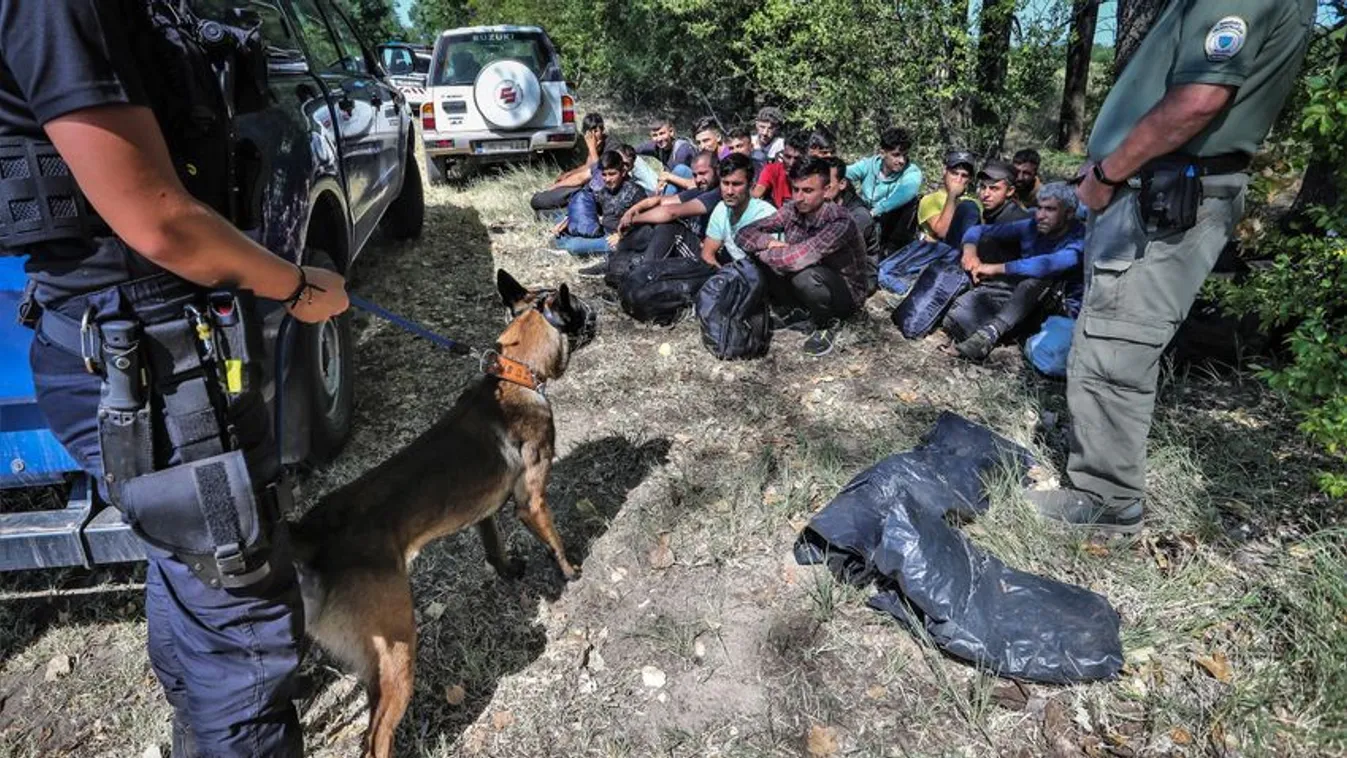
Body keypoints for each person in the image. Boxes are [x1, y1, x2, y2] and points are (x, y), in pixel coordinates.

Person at [0, 3, 350, 755]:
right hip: (154, 366)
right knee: (242, 629)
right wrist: (296, 287)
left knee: (196, 568)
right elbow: (160, 222)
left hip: (143, 351)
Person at [1030, 0, 1316, 532]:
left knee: (1115, 345)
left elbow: (1198, 100)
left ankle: (1106, 501)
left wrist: (1108, 174)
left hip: (1162, 194)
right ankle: (1097, 449)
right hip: (1156, 188)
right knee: (1105, 330)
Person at [736, 157, 870, 357]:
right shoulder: (793, 210)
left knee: (803, 275)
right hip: (810, 278)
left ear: (826, 191)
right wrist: (768, 243)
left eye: (807, 191)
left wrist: (763, 252)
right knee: (764, 257)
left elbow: (798, 259)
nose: (799, 197)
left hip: (845, 293)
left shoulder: (839, 221)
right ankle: (794, 311)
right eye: (795, 189)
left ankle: (827, 324)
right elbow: (743, 233)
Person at [944, 183, 1085, 361]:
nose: (1040, 215)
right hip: (1019, 300)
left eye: (1050, 209)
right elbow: (978, 230)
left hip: (1056, 311)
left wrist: (994, 268)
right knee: (987, 244)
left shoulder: (1080, 239)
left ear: (1069, 213)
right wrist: (970, 252)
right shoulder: (1031, 226)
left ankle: (988, 335)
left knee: (1038, 279)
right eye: (1039, 208)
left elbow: (1045, 265)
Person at [578, 151, 722, 278]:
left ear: (717, 170)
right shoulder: (700, 190)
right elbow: (658, 200)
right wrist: (631, 211)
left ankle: (643, 275)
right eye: (695, 175)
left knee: (668, 227)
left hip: (701, 255)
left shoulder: (716, 194)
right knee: (652, 228)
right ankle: (615, 262)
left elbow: (670, 212)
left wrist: (633, 220)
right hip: (687, 244)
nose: (698, 180)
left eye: (703, 173)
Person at [551, 150, 647, 256]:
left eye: (612, 174)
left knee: (573, 245)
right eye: (604, 175)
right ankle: (570, 244)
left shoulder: (635, 192)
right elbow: (590, 209)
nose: (607, 179)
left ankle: (569, 247)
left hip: (620, 239)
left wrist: (621, 235)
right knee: (559, 220)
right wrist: (569, 219)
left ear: (623, 172)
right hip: (604, 231)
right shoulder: (604, 191)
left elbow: (645, 221)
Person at [846, 127, 923, 252]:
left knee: (911, 202)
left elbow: (906, 192)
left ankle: (891, 250)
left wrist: (877, 210)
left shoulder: (912, 172)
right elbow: (841, 173)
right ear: (882, 153)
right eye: (896, 155)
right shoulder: (868, 165)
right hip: (866, 216)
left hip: (892, 225)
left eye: (905, 155)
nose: (902, 161)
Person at [701, 153, 776, 267]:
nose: (729, 191)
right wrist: (722, 276)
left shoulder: (766, 216)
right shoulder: (721, 209)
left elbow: (773, 267)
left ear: (751, 185)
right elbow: (707, 254)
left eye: (736, 184)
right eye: (725, 183)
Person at [530, 112, 608, 215]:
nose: (593, 136)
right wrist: (569, 174)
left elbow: (592, 173)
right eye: (589, 133)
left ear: (602, 130)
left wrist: (556, 186)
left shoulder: (608, 147)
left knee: (537, 201)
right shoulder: (596, 145)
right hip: (586, 190)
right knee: (541, 210)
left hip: (593, 195)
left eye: (596, 131)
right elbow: (588, 166)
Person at [917, 150, 982, 247]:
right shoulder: (930, 199)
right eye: (954, 173)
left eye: (964, 176)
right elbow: (942, 232)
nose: (958, 179)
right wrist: (952, 195)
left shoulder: (975, 202)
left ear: (969, 179)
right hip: (941, 250)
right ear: (945, 172)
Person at [973, 159, 1033, 263]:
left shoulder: (1013, 221)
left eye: (994, 189)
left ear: (1010, 191)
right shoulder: (994, 213)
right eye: (983, 187)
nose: (986, 194)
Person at [753, 130, 807, 208]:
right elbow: (757, 193)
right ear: (783, 153)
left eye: (797, 159)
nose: (791, 163)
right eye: (788, 157)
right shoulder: (771, 170)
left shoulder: (812, 176)